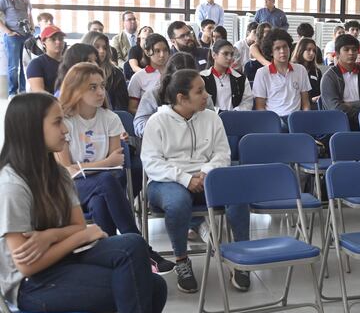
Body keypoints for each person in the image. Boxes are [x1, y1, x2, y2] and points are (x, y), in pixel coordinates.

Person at [0, 93, 167, 313]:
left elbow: (79, 226)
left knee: (133, 244)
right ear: (30, 128)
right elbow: (29, 265)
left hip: (66, 260)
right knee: (153, 287)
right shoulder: (11, 185)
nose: (66, 129)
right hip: (33, 286)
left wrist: (53, 235)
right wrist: (78, 235)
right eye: (57, 122)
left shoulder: (58, 173)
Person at [55, 62, 174, 273]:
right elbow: (67, 170)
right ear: (75, 89)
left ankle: (110, 262)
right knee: (106, 181)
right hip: (70, 190)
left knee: (101, 200)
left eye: (102, 85)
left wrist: (92, 166)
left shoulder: (110, 118)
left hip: (104, 188)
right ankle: (140, 248)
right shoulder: (64, 122)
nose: (101, 92)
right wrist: (104, 164)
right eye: (92, 87)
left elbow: (117, 164)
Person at [142, 69, 251, 294]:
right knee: (178, 202)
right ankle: (182, 260)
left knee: (239, 192)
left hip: (206, 177)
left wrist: (205, 172)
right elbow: (152, 163)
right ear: (182, 98)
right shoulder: (157, 121)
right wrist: (185, 178)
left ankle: (241, 256)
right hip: (166, 181)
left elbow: (222, 153)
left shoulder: (212, 117)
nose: (207, 95)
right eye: (200, 91)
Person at [134, 52, 212, 137]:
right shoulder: (153, 95)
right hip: (163, 143)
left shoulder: (203, 96)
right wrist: (163, 128)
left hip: (197, 142)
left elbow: (211, 122)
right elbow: (139, 125)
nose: (184, 87)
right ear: (170, 78)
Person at [320, 33, 360, 130]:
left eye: (354, 50)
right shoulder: (329, 77)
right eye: (346, 49)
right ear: (337, 53)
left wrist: (349, 104)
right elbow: (335, 108)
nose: (351, 53)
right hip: (338, 124)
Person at [253, 29, 310, 122]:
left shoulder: (300, 70)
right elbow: (260, 107)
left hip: (296, 120)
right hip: (273, 121)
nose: (282, 51)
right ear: (271, 52)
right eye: (277, 48)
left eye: (285, 47)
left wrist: (305, 120)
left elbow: (305, 103)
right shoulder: (262, 73)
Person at [1, 0, 33, 96]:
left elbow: (29, 15)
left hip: (26, 36)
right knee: (13, 67)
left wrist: (31, 29)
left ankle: (23, 91)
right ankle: (12, 92)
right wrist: (8, 31)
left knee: (25, 66)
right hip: (13, 38)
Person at [81, 31, 130, 111]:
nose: (102, 51)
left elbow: (121, 108)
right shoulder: (76, 73)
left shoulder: (116, 74)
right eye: (97, 47)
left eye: (104, 48)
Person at [200, 39, 254, 112]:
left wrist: (234, 113)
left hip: (235, 119)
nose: (229, 58)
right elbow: (199, 103)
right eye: (225, 54)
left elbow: (247, 102)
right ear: (214, 55)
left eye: (231, 54)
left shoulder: (241, 78)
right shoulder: (201, 78)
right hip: (209, 120)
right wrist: (219, 112)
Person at [127, 34, 170, 115]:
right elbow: (132, 108)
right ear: (147, 52)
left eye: (165, 50)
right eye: (157, 51)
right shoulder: (139, 77)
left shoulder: (174, 73)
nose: (162, 55)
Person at [26, 25, 65, 94]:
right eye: (53, 39)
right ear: (43, 43)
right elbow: (39, 92)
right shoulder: (36, 64)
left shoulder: (69, 62)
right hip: (47, 103)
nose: (58, 42)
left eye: (61, 39)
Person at [292, 37, 323, 109]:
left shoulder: (317, 71)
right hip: (297, 107)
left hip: (314, 106)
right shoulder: (292, 69)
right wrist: (310, 100)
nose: (312, 53)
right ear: (301, 50)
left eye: (314, 51)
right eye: (308, 50)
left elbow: (320, 91)